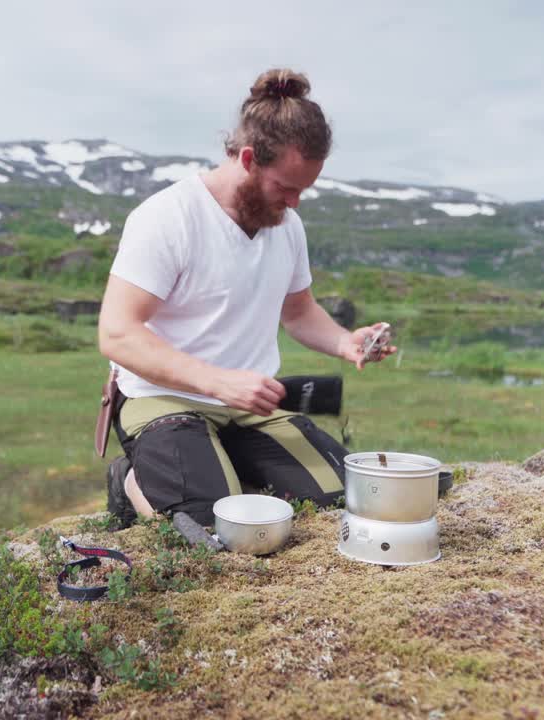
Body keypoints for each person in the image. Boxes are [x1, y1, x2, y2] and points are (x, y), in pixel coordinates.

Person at [97, 68, 396, 529]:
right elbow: (118, 334)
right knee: (214, 526)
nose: (295, 204)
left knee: (346, 498)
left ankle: (220, 462)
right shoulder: (167, 217)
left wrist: (344, 343)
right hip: (164, 399)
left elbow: (298, 312)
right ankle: (131, 478)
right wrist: (218, 382)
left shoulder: (286, 225)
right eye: (286, 187)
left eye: (304, 190)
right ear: (250, 158)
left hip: (248, 407)